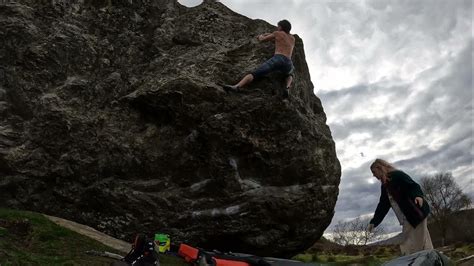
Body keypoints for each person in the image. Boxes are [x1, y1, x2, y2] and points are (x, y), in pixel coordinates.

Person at [368, 158, 433, 255]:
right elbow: (383, 205)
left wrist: (418, 196)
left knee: (411, 242)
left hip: (415, 213)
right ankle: (431, 258)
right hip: (407, 217)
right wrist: (374, 221)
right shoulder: (385, 186)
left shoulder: (397, 175)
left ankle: (418, 259)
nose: (373, 175)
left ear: (380, 168)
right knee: (422, 240)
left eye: (374, 172)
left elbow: (414, 186)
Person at [223, 19, 295, 98]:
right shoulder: (292, 39)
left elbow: (263, 40)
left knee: (254, 73)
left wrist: (260, 36)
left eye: (278, 26)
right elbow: (278, 38)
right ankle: (287, 87)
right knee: (289, 74)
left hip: (278, 59)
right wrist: (269, 34)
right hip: (288, 62)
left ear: (281, 27)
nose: (277, 28)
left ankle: (236, 86)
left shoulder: (277, 33)